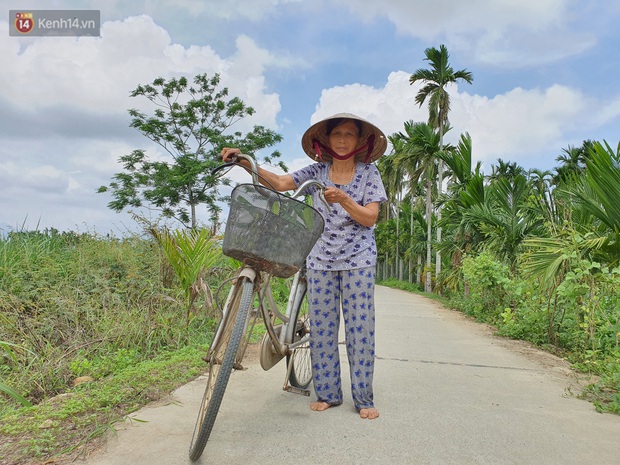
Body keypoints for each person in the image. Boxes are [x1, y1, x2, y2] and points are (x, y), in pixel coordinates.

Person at [221, 113, 387, 420]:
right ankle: (328, 395)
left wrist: (344, 200)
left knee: (359, 330)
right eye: (337, 133)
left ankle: (363, 398)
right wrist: (246, 163)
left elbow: (370, 217)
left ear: (360, 141)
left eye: (349, 134)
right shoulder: (317, 171)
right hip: (320, 260)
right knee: (323, 329)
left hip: (358, 261)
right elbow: (284, 183)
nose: (342, 139)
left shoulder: (369, 174)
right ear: (327, 140)